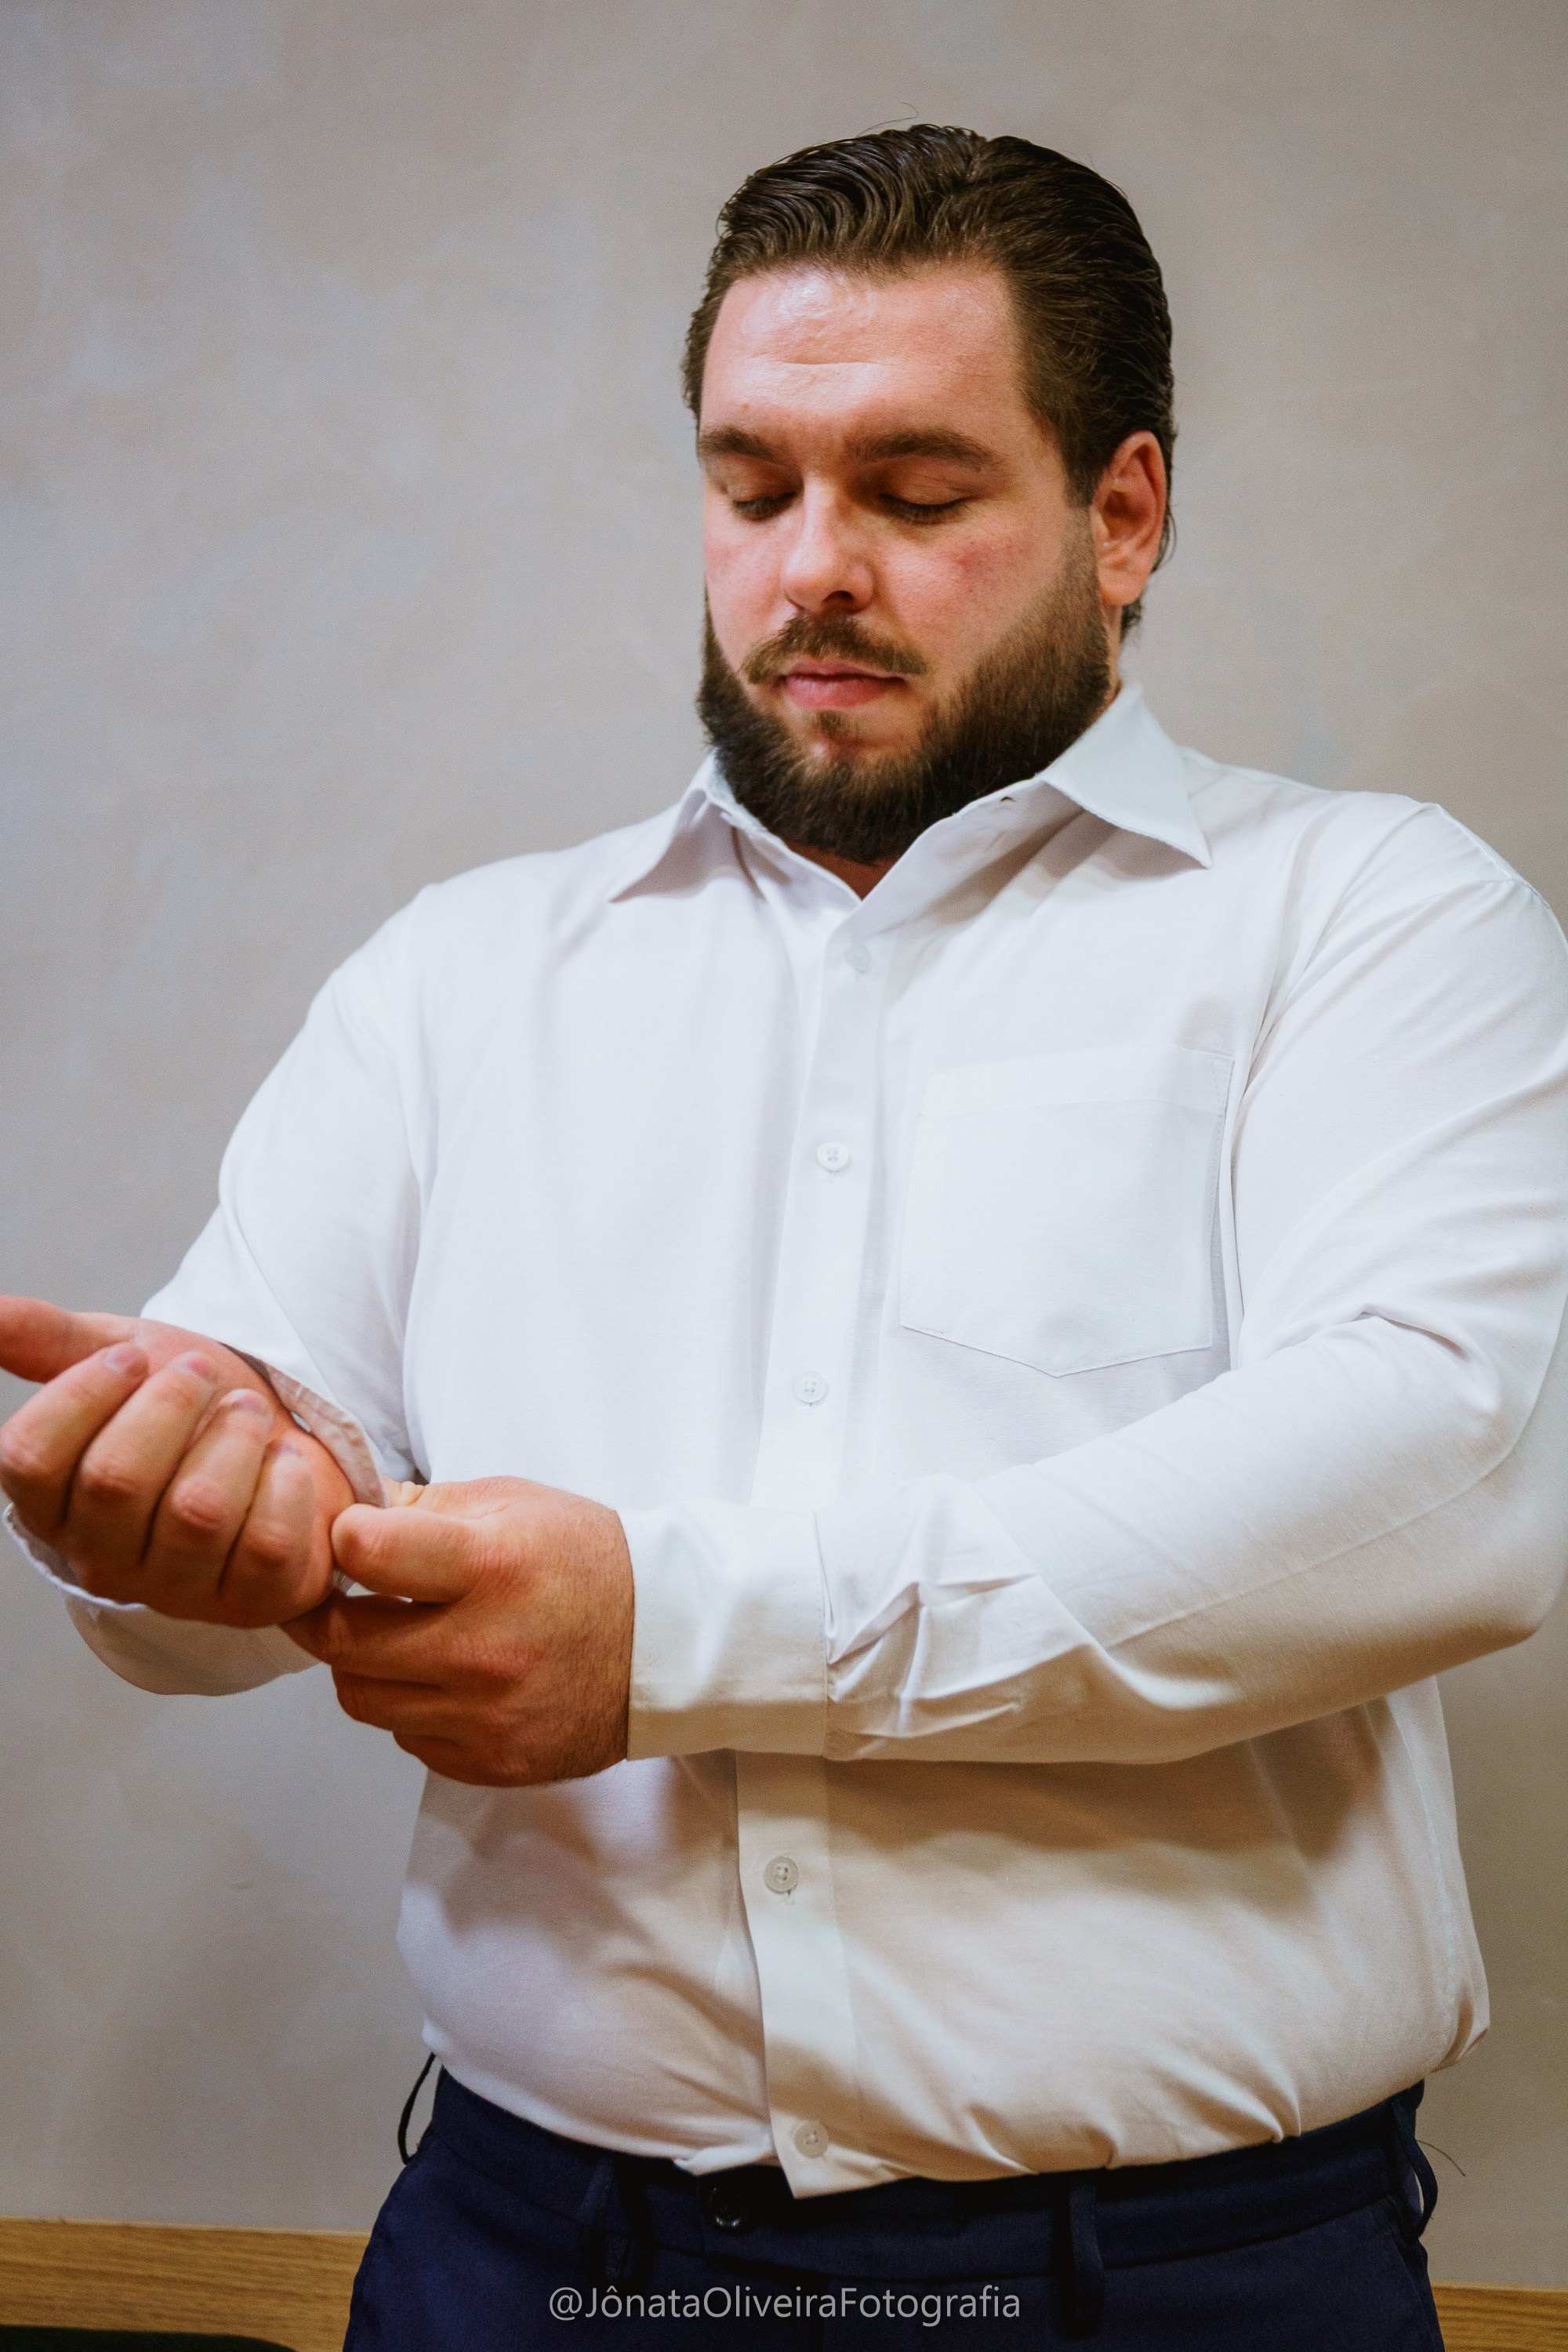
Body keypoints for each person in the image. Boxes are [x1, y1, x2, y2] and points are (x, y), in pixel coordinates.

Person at [2, 125, 1565, 2350]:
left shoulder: (1372, 920)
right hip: (522, 2259)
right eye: (752, 488)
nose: (810, 569)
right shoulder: (461, 977)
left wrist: (671, 1630)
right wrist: (165, 1527)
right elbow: (238, 1500)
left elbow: (1441, 1483)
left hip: (1178, 2288)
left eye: (915, 495)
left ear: (1124, 515)